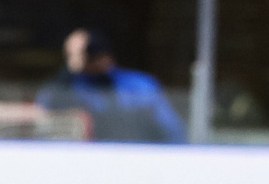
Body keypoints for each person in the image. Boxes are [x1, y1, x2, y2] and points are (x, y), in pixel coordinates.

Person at [35, 28, 185, 144]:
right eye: (70, 57)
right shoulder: (68, 85)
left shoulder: (139, 85)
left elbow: (171, 130)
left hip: (137, 155)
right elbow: (42, 112)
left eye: (85, 56)